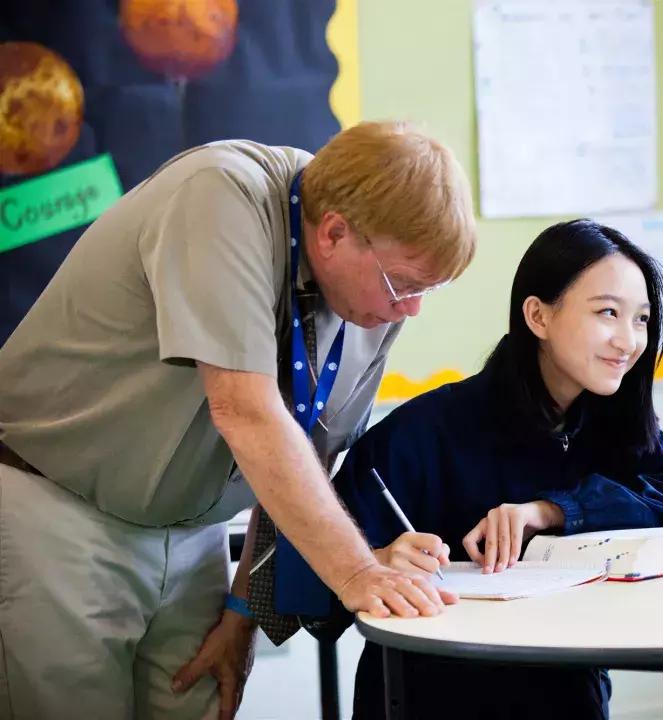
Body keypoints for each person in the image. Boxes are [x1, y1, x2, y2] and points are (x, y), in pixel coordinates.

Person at [0, 121, 474, 720]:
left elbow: (307, 455)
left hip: (193, 531)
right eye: (403, 284)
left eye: (428, 290)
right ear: (333, 233)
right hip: (61, 512)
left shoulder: (375, 297)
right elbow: (245, 410)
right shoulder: (220, 195)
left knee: (200, 705)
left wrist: (245, 610)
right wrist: (355, 571)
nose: (409, 310)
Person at [287, 219, 663, 719]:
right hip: (430, 703)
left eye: (641, 319)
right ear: (537, 315)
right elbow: (304, 595)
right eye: (607, 313)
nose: (628, 340)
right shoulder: (425, 431)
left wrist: (555, 511)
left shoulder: (611, 421)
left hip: (565, 700)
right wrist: (375, 561)